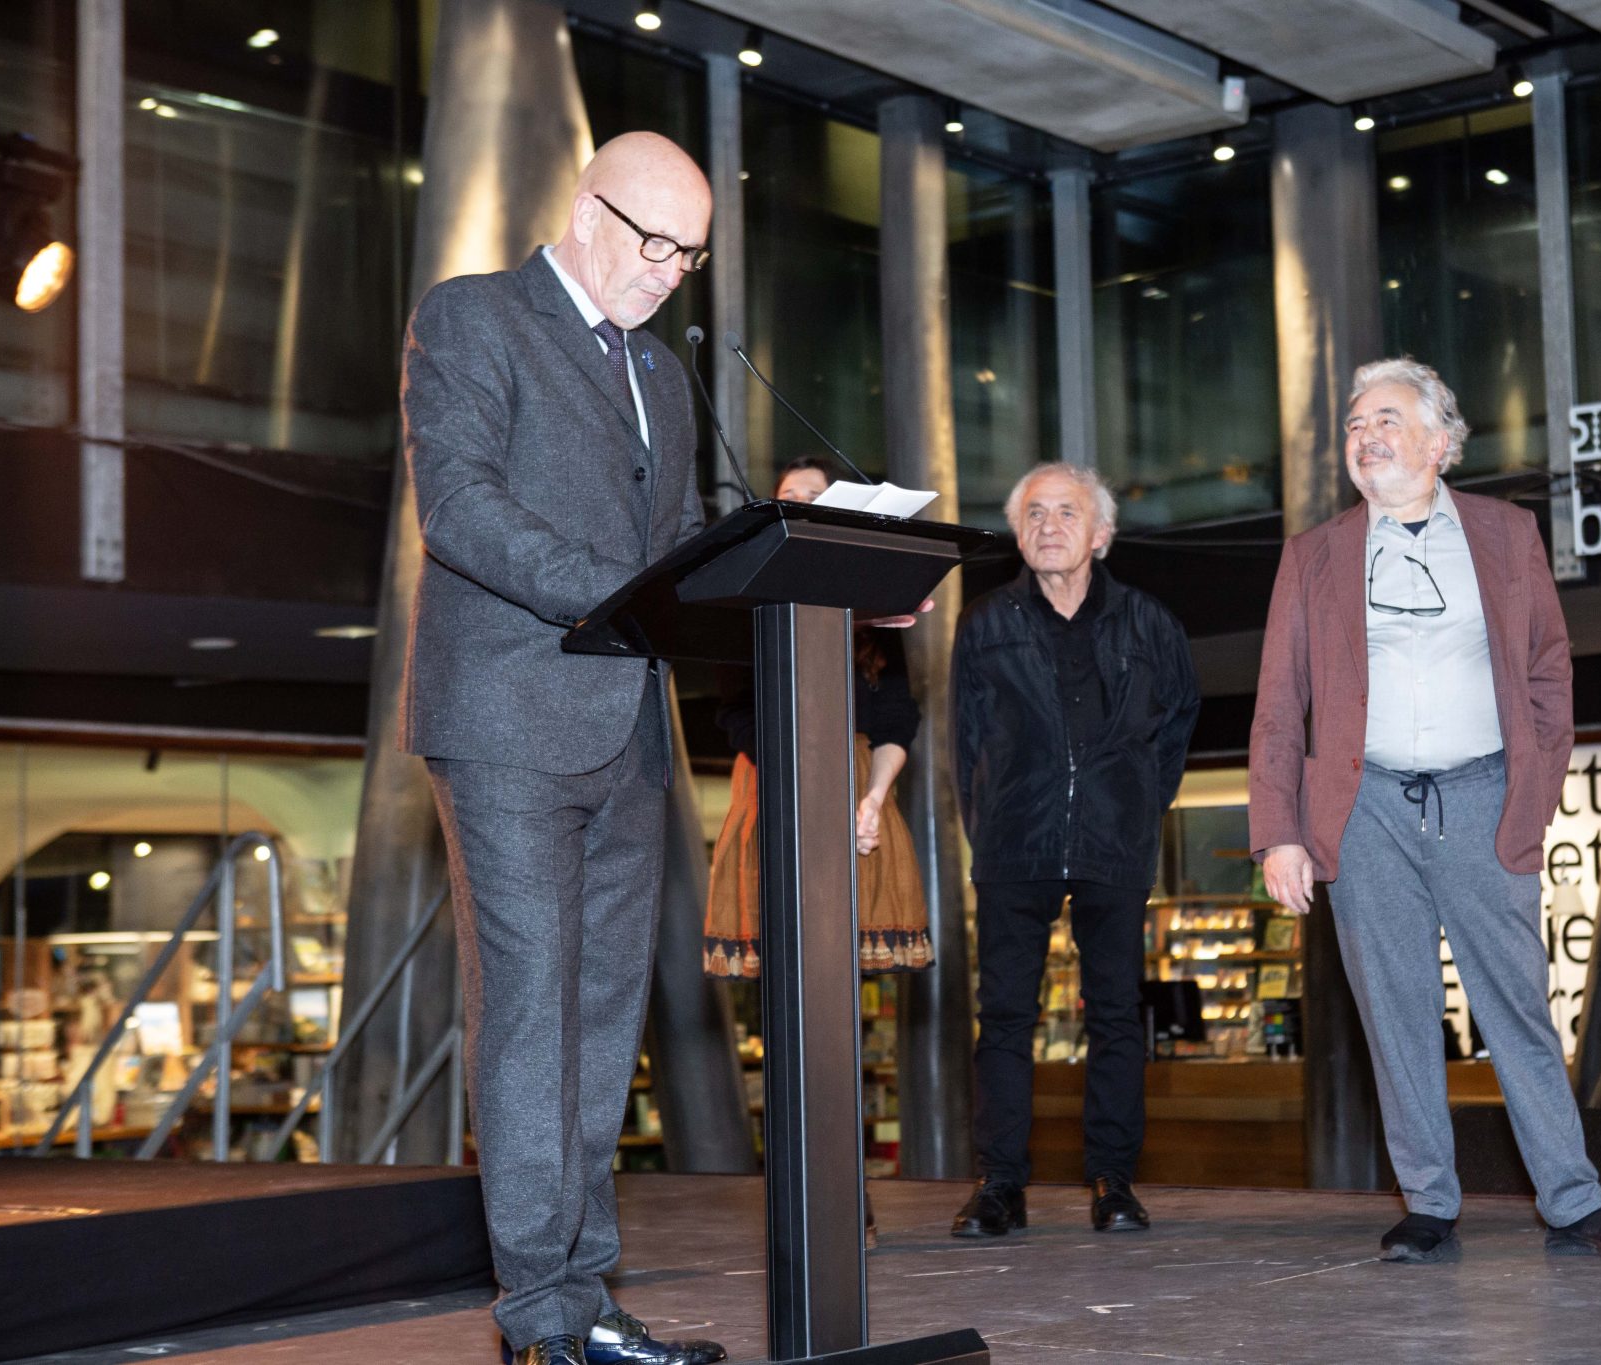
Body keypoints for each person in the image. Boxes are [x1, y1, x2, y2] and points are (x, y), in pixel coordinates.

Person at [401, 132, 728, 1365]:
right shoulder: (475, 317)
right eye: (655, 243)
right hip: (508, 720)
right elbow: (461, 507)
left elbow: (683, 538)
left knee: (598, 1018)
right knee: (532, 1010)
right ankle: (544, 1315)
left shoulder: (661, 371)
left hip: (629, 729)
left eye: (690, 254)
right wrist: (620, 597)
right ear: (587, 213)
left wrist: (797, 581)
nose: (670, 271)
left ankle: (585, 1299)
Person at [1249, 358, 1601, 1264]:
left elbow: (1550, 670)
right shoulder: (1313, 554)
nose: (1366, 436)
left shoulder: (1505, 532)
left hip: (1484, 796)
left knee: (1515, 1006)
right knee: (1395, 1011)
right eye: (1356, 424)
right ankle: (1430, 1202)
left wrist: (1535, 793)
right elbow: (1281, 702)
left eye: (1387, 419)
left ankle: (1572, 1197)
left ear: (1441, 442)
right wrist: (1279, 829)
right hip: (1364, 812)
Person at [949, 463, 1199, 1238]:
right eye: (1033, 513)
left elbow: (1178, 723)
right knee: (1005, 1019)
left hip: (1113, 844)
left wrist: (1133, 807)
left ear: (1102, 533)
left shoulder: (1151, 622)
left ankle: (1113, 1181)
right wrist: (990, 823)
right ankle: (1000, 1185)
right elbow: (965, 747)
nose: (1048, 525)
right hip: (1014, 844)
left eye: (1066, 512)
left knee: (1118, 1016)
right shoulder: (983, 621)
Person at [704, 457, 934, 982]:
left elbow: (897, 721)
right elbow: (737, 713)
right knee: (787, 962)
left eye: (817, 495)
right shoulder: (745, 599)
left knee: (846, 972)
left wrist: (872, 800)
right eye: (791, 495)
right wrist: (806, 779)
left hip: (860, 786)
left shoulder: (873, 605)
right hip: (775, 774)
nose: (803, 504)